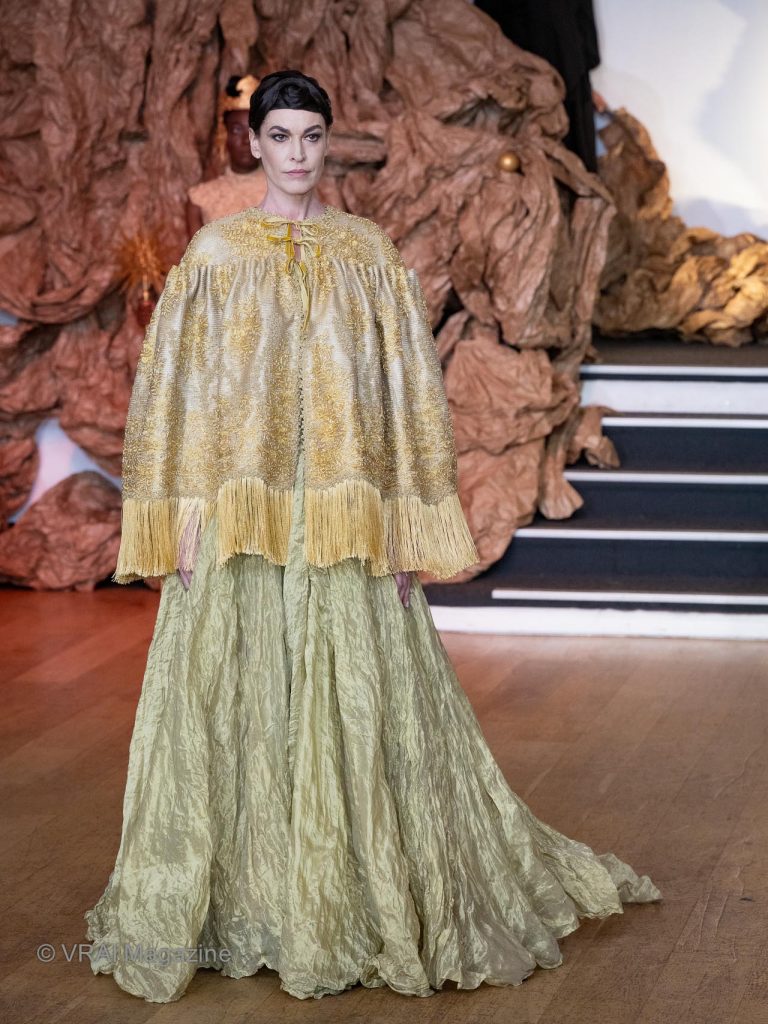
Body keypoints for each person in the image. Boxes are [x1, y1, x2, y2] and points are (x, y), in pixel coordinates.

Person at [84, 69, 660, 1004]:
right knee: (238, 700)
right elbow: (177, 393)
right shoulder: (216, 254)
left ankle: (348, 894)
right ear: (255, 144)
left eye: (312, 136)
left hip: (344, 515)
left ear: (328, 143)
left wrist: (402, 525)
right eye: (281, 137)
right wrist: (178, 514)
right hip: (242, 514)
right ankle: (247, 899)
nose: (298, 154)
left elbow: (408, 400)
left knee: (354, 702)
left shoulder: (368, 253)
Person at [186, 74, 268, 235]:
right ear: (224, 135)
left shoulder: (289, 191)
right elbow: (196, 251)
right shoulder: (201, 200)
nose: (246, 140)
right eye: (237, 130)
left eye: (253, 130)